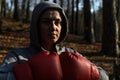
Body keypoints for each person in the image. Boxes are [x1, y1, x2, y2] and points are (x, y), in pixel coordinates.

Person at [0, 1, 109, 80]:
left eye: (57, 22)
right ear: (36, 26)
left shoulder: (70, 53)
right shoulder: (17, 56)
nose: (53, 27)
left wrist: (91, 72)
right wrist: (30, 73)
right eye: (46, 22)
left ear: (63, 26)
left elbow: (104, 76)